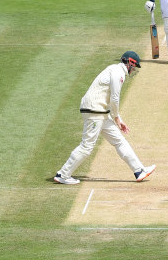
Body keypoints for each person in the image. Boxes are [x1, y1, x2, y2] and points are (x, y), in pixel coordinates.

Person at [54, 51, 156, 184]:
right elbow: (114, 98)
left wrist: (117, 118)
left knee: (119, 141)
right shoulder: (118, 72)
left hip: (99, 112)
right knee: (87, 146)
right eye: (134, 66)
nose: (134, 69)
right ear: (130, 62)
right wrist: (117, 118)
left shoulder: (114, 69)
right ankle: (63, 174)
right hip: (94, 111)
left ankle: (139, 170)